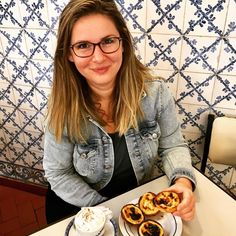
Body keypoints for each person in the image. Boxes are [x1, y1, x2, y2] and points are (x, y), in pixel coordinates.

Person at [43, 0, 196, 224]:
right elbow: (58, 174)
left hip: (136, 200)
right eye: (83, 45)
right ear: (69, 54)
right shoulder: (62, 109)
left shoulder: (156, 93)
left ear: (123, 43)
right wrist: (107, 210)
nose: (98, 57)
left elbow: (173, 146)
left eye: (108, 41)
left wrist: (182, 181)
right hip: (82, 208)